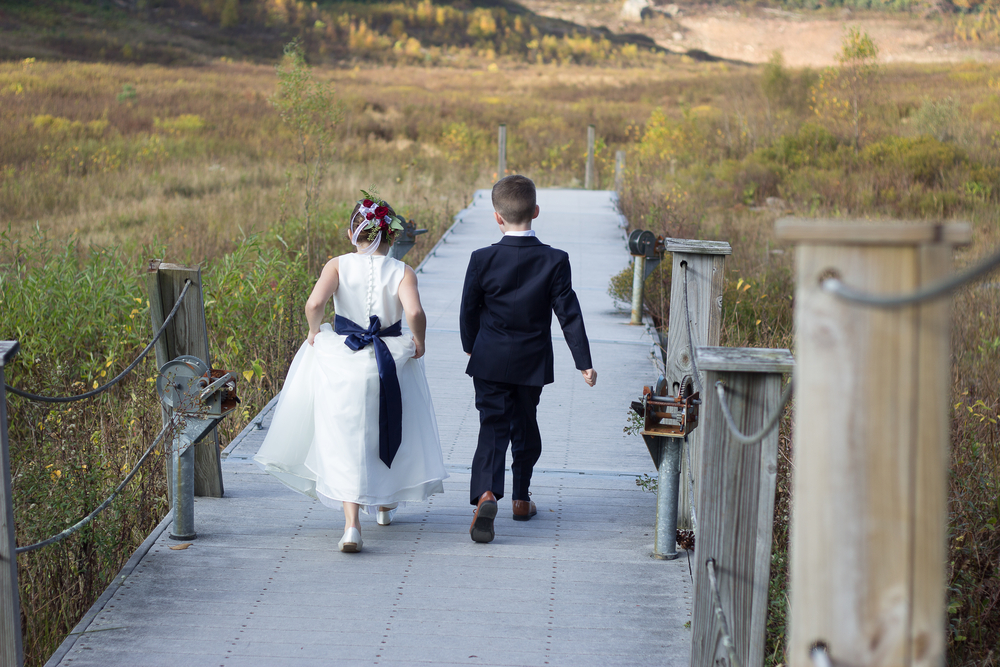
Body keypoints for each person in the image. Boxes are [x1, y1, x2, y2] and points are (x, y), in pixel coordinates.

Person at [254, 193, 447, 553]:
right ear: (392, 237)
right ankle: (386, 506)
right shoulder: (402, 271)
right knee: (390, 427)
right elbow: (416, 314)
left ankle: (351, 526)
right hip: (388, 359)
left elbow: (315, 304)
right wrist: (418, 341)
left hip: (343, 359)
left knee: (346, 438)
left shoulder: (338, 265)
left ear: (350, 233)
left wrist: (315, 331)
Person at [460, 175, 597, 544]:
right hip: (532, 363)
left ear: (497, 217)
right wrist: (583, 361)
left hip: (489, 359)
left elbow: (468, 310)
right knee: (525, 423)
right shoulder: (555, 260)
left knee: (493, 426)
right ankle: (521, 498)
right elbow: (569, 314)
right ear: (536, 211)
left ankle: (487, 494)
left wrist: (470, 345)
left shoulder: (481, 258)